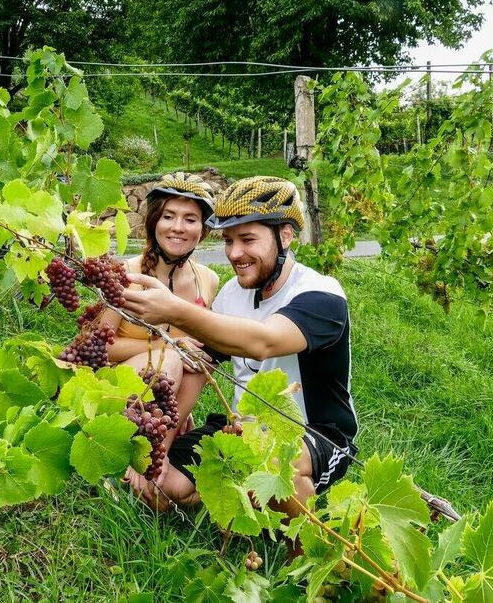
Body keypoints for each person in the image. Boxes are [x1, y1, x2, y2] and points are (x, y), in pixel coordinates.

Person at [120, 176, 358, 514]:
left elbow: (264, 341)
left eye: (247, 239)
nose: (234, 253)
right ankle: (245, 491)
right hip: (239, 426)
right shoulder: (232, 293)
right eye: (228, 240)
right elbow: (199, 368)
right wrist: (158, 451)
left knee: (269, 463)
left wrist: (176, 311)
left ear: (286, 235)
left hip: (316, 433)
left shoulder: (320, 295)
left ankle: (309, 540)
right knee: (162, 488)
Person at [98, 174, 220, 481]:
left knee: (203, 360)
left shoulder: (208, 280)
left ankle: (157, 454)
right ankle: (139, 457)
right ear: (154, 221)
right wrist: (167, 346)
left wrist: (179, 408)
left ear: (202, 230)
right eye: (169, 216)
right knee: (173, 357)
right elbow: (100, 348)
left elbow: (197, 360)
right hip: (116, 390)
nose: (178, 227)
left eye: (190, 219)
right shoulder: (125, 273)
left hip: (163, 397)